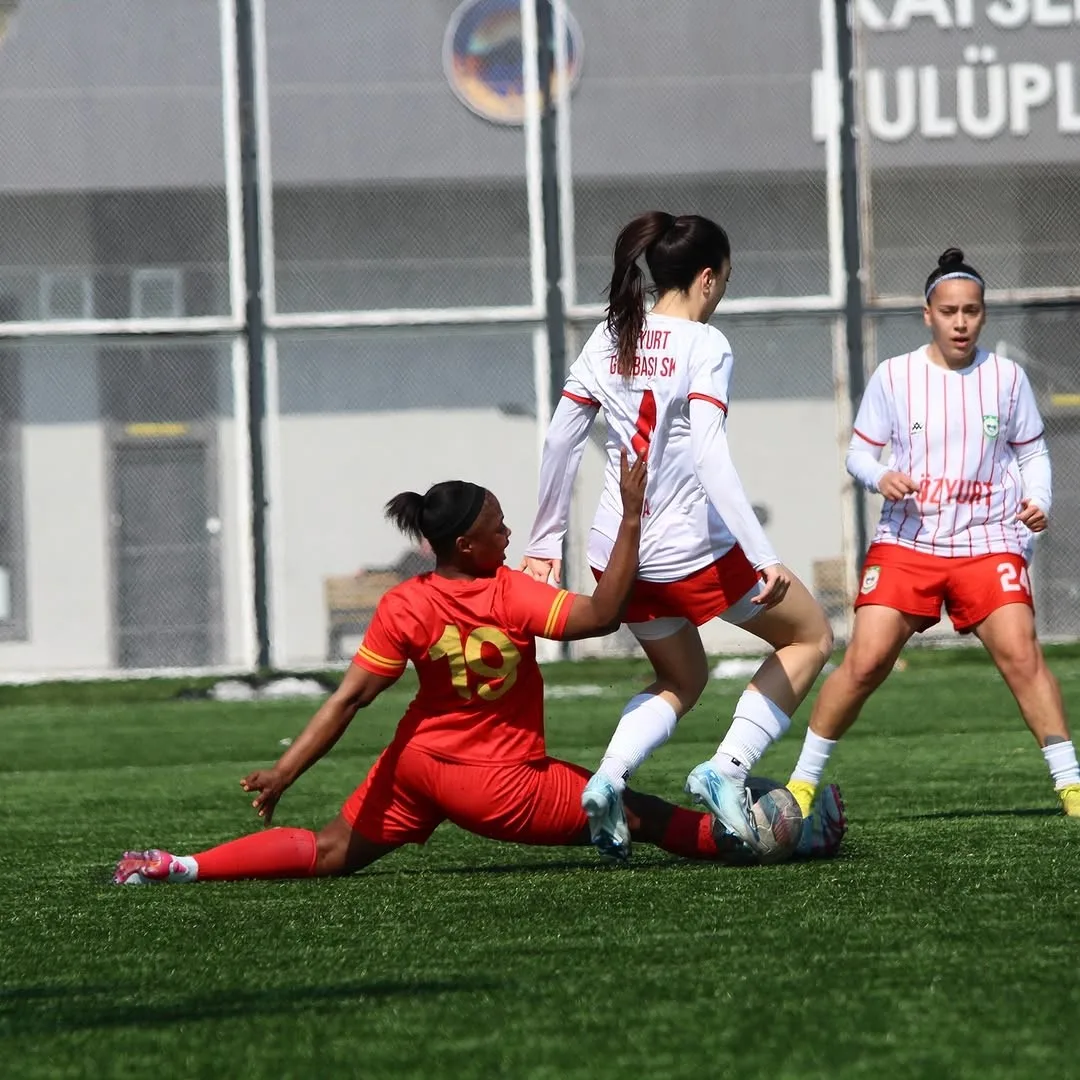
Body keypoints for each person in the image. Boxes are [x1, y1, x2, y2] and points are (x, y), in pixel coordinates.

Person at [113, 456, 841, 885]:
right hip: (498, 785)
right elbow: (602, 615)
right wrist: (626, 521)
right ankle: (778, 837)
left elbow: (346, 704)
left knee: (331, 850)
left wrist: (283, 775)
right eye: (498, 525)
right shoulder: (508, 593)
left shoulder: (405, 604)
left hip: (420, 764)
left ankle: (179, 865)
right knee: (643, 815)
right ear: (467, 542)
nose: (510, 532)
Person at [520, 211, 838, 859]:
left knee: (680, 676)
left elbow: (560, 438)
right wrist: (763, 553)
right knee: (810, 638)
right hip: (687, 547)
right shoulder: (705, 344)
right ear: (707, 279)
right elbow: (709, 453)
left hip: (618, 552)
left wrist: (544, 543)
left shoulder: (610, 335)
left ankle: (608, 778)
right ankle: (728, 767)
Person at [785, 248, 1080, 820]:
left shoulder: (1007, 378)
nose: (961, 322)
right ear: (928, 315)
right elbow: (859, 455)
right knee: (866, 661)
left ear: (984, 314)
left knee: (1022, 654)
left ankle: (1070, 786)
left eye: (971, 310)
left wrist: (1036, 500)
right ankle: (800, 783)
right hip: (909, 542)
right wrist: (882, 476)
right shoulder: (895, 375)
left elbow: (1033, 452)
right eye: (950, 311)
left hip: (987, 540)